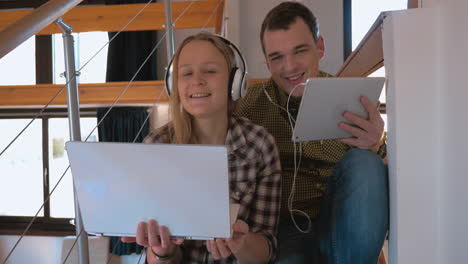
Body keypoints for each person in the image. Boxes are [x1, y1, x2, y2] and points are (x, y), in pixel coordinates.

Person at [235, 2, 388, 264]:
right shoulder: (248, 107)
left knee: (366, 162)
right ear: (266, 62)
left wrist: (377, 146)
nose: (290, 66)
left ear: (320, 47)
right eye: (277, 57)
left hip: (344, 222)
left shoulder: (353, 98)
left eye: (300, 51)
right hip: (284, 229)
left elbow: (386, 177)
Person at [122, 32, 281, 264]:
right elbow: (158, 259)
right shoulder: (156, 147)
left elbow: (266, 250)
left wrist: (241, 243)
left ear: (234, 82)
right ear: (173, 85)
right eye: (186, 73)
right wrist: (162, 251)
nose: (197, 80)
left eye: (210, 71)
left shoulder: (260, 145)